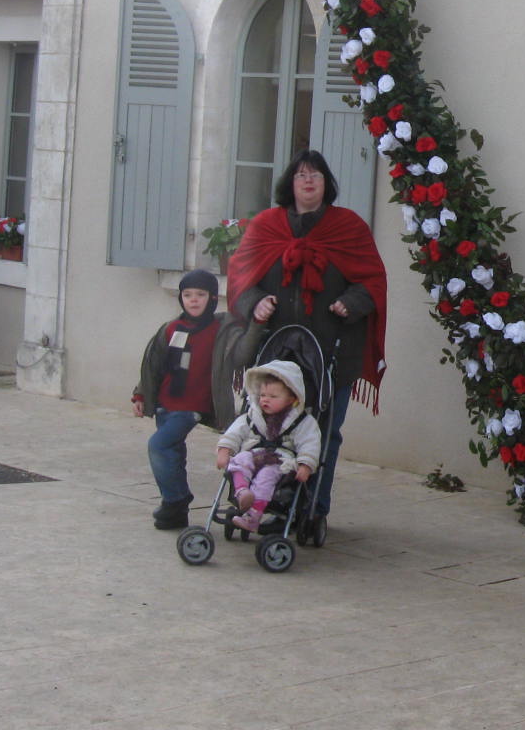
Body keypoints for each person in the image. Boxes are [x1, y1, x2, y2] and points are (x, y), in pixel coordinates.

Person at [224, 149, 388, 528]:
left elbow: (373, 280)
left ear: (327, 183)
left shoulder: (348, 227)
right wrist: (254, 303)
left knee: (324, 436)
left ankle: (313, 510)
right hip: (276, 355)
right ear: (290, 183)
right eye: (301, 175)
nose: (309, 181)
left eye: (316, 174)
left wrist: (351, 302)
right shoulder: (266, 225)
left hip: (332, 352)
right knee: (266, 434)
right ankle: (263, 504)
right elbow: (240, 276)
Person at [133, 269, 223, 530]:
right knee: (173, 453)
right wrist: (140, 394)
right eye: (187, 295)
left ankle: (176, 500)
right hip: (166, 403)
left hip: (192, 406)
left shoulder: (221, 328)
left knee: (159, 445)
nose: (193, 300)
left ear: (213, 298)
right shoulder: (172, 328)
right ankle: (176, 512)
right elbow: (154, 365)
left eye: (201, 294)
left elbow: (243, 345)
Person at [215, 361, 321, 532]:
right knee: (240, 459)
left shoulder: (302, 422)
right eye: (263, 395)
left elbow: (310, 443)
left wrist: (306, 464)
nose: (265, 399)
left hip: (280, 461)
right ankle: (242, 493)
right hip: (255, 454)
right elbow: (235, 432)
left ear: (292, 399)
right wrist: (225, 450)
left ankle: (252, 517)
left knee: (265, 476)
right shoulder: (252, 416)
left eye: (273, 397)